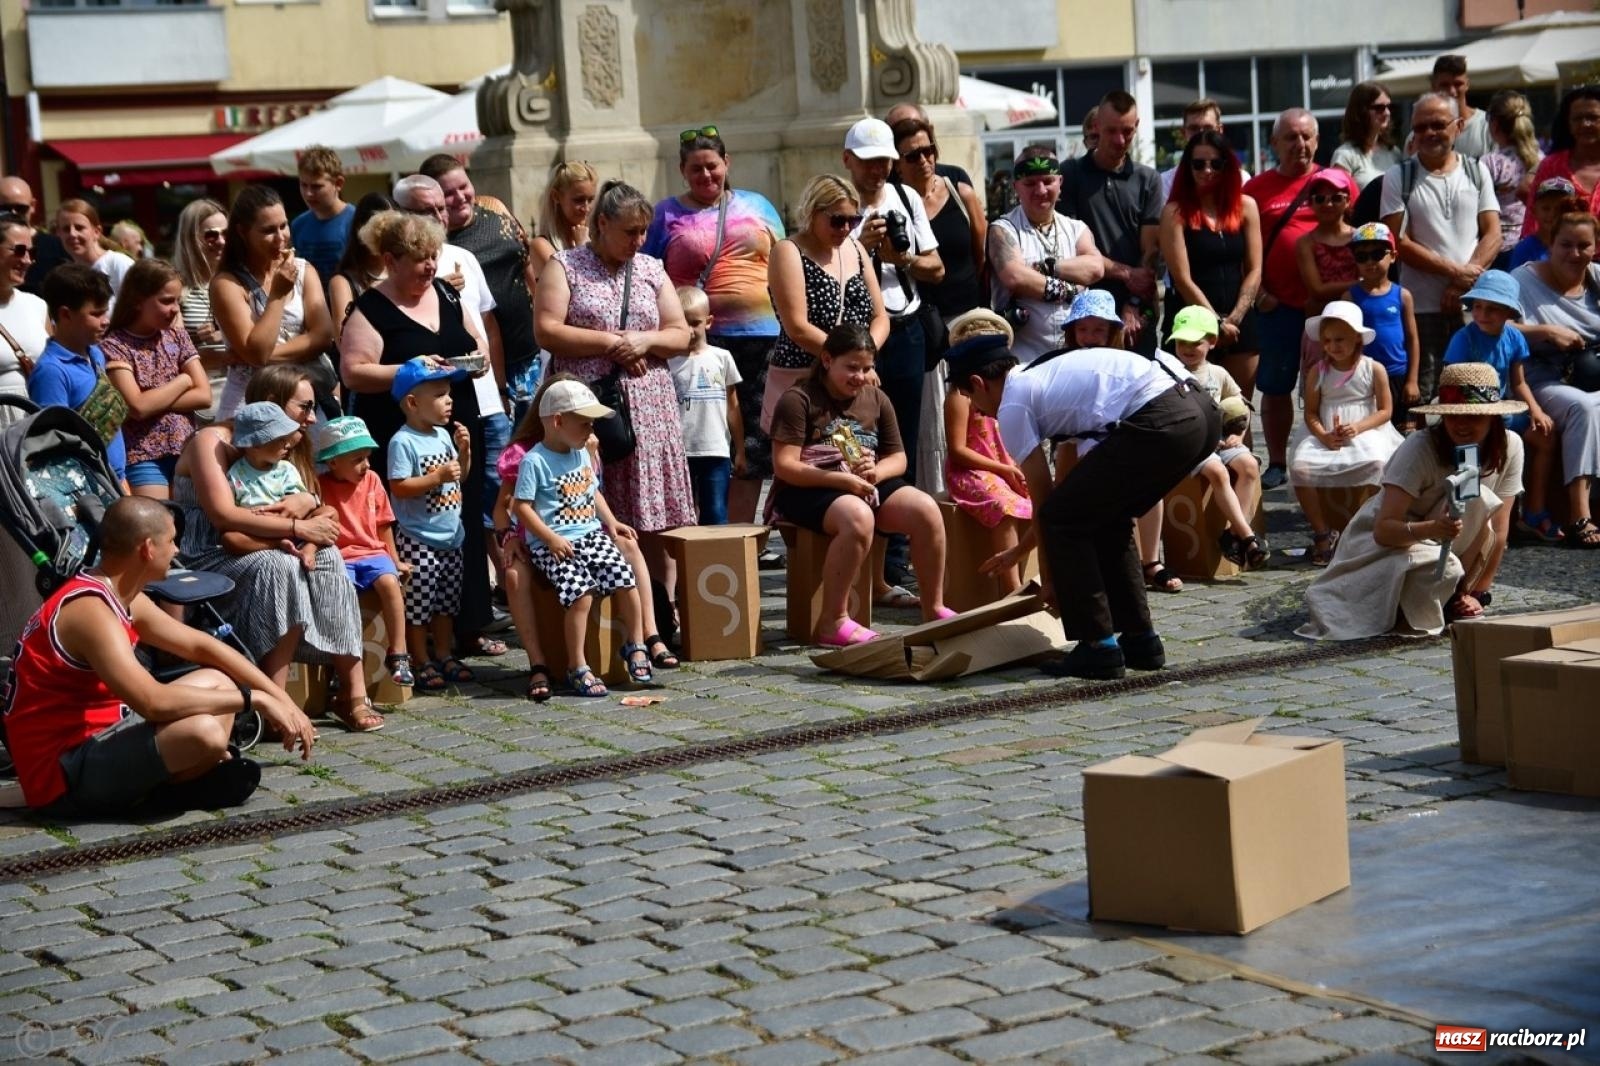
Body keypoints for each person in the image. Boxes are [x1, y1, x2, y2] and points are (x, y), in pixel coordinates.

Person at [0, 496, 315, 815]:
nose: (177, 550)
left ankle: (185, 773)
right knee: (203, 732)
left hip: (103, 734)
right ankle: (169, 787)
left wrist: (281, 699)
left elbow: (201, 647)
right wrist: (254, 700)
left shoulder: (116, 594)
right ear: (148, 549)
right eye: (172, 541)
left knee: (218, 679)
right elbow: (153, 702)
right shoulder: (91, 613)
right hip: (62, 774)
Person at [946, 327, 1219, 680]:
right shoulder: (1044, 376)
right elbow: (1071, 489)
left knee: (1066, 519)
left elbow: (1048, 506)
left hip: (1165, 416)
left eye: (972, 401)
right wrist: (1027, 554)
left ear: (978, 383)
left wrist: (1052, 580)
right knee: (1109, 516)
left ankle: (1098, 647)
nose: (980, 413)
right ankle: (1141, 641)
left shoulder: (1013, 404)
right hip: (1201, 413)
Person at [172, 365, 380, 732]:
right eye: (304, 407)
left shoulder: (288, 445)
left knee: (331, 557)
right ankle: (275, 701)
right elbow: (223, 517)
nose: (312, 417)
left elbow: (318, 506)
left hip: (273, 542)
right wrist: (298, 525)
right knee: (278, 565)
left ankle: (353, 693)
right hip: (212, 551)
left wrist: (308, 502)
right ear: (271, 403)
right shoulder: (213, 441)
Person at [337, 210, 498, 660]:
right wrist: (413, 371)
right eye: (420, 259)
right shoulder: (370, 307)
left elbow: (477, 345)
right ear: (390, 260)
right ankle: (417, 641)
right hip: (401, 432)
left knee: (461, 521)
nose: (431, 266)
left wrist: (472, 363)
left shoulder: (446, 292)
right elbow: (354, 372)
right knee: (415, 532)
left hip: (456, 422)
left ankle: (466, 627)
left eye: (433, 256)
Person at [534, 179, 695, 616]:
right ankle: (608, 615)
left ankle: (661, 611)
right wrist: (612, 343)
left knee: (655, 514)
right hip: (588, 405)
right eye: (629, 231)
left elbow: (682, 334)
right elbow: (547, 330)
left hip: (649, 407)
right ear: (601, 224)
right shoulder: (564, 266)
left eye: (644, 231)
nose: (638, 241)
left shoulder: (650, 268)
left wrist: (642, 341)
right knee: (595, 506)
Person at [1299, 362, 1525, 638]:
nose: (1462, 425)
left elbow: (1498, 531)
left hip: (1448, 539)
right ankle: (1414, 602)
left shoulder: (1511, 446)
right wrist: (1431, 529)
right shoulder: (1420, 447)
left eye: (1473, 417)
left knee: (1479, 501)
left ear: (1493, 418)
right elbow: (1383, 530)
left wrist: (1477, 593)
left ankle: (1452, 595)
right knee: (1445, 566)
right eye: (1453, 417)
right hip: (1386, 540)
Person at [494, 374, 677, 699]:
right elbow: (519, 507)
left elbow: (593, 493)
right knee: (581, 594)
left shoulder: (579, 451)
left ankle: (636, 644)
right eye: (585, 423)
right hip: (556, 542)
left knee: (625, 579)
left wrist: (612, 521)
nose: (592, 431)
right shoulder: (533, 460)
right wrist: (548, 538)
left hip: (590, 534)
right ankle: (577, 664)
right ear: (558, 421)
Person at [769, 323, 952, 644]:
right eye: (851, 367)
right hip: (808, 487)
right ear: (827, 360)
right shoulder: (798, 399)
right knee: (858, 517)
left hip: (862, 482)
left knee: (925, 509)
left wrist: (875, 474)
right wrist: (842, 479)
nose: (860, 376)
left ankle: (933, 607)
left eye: (867, 368)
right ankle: (833, 620)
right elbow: (785, 466)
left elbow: (898, 458)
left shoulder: (877, 398)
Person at [645, 129, 786, 521]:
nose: (705, 175)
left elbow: (784, 261)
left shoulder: (758, 205)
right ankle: (699, 532)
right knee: (697, 439)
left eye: (712, 166)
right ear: (682, 171)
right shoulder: (665, 215)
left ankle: (740, 541)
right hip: (695, 341)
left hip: (760, 338)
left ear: (727, 163)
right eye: (696, 169)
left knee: (753, 441)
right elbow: (647, 273)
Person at [393, 174, 510, 583]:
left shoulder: (464, 256)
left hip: (484, 399)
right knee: (456, 499)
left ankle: (504, 581)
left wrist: (496, 381)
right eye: (427, 210)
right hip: (435, 407)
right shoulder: (396, 273)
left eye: (440, 207)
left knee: (495, 492)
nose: (439, 216)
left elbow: (486, 326)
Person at [840, 118, 945, 508]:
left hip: (906, 328)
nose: (877, 170)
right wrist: (860, 245)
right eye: (868, 161)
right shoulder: (838, 207)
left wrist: (903, 259)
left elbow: (936, 269)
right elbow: (824, 269)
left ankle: (898, 549)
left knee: (904, 439)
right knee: (858, 439)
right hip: (858, 334)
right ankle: (868, 533)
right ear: (847, 159)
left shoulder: (906, 197)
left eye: (884, 160)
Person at [1380, 92, 1501, 429]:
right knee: (1425, 403)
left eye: (1438, 124)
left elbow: (1493, 233)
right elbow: (1397, 241)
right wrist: (1457, 274)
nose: (1430, 133)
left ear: (1458, 126)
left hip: (1474, 307)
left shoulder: (1477, 171)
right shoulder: (1398, 177)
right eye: (1421, 127)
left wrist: (1463, 282)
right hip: (1420, 310)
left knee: (1477, 394)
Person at [891, 116, 987, 496]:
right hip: (926, 324)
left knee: (976, 415)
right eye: (912, 155)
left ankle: (978, 496)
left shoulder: (959, 189)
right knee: (932, 421)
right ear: (897, 162)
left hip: (967, 319)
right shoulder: (894, 200)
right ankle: (935, 501)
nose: (924, 161)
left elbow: (980, 253)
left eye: (928, 150)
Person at [419, 155, 539, 423]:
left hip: (529, 354)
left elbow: (526, 261)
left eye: (464, 186)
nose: (460, 197)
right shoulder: (437, 246)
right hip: (487, 366)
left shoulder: (495, 209)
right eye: (448, 194)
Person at [1442, 270, 1556, 542]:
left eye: (1492, 308)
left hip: (1502, 411)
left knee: (1544, 437)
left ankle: (1533, 511)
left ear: (1508, 312)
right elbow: (1450, 385)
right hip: (1468, 410)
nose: (1482, 314)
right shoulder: (1463, 338)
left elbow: (1518, 383)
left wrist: (1536, 410)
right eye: (1478, 306)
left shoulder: (1514, 338)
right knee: (1470, 453)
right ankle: (1468, 522)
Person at [1289, 301, 1405, 565]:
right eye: (1327, 340)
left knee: (1378, 463)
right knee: (1300, 468)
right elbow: (1311, 412)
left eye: (1340, 339)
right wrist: (1323, 435)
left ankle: (1365, 528)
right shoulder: (1318, 371)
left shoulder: (1373, 368)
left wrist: (1359, 427)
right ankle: (1322, 531)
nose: (1332, 346)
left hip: (1367, 428)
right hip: (1327, 431)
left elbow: (1386, 410)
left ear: (1357, 337)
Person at [1244, 109, 1325, 488]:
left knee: (1328, 386)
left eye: (1307, 136)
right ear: (1274, 144)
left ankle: (1326, 457)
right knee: (1275, 389)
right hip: (1276, 308)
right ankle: (1277, 462)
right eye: (1291, 138)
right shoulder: (1255, 190)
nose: (1300, 145)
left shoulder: (1334, 183)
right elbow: (1241, 247)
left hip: (1323, 310)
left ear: (1317, 141)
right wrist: (1259, 294)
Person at [385, 357, 474, 691]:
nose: (449, 400)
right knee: (419, 605)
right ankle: (420, 657)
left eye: (448, 393)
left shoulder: (441, 435)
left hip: (451, 535)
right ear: (412, 402)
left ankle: (444, 652)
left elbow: (459, 478)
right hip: (418, 537)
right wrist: (435, 477)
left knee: (446, 603)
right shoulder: (403, 441)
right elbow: (399, 486)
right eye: (439, 394)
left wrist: (464, 452)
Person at [1513, 208, 1600, 547]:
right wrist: (1546, 331)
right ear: (1550, 243)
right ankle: (1580, 515)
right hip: (1541, 379)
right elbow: (1494, 326)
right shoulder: (1523, 280)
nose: (1574, 254)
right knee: (1586, 407)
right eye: (1566, 245)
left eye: (1584, 246)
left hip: (1590, 372)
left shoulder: (1595, 279)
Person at [210, 186, 335, 420]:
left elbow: (322, 336)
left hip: (305, 402)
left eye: (283, 226)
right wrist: (277, 294)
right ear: (242, 232)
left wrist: (267, 354)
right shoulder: (227, 283)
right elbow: (257, 352)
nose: (280, 237)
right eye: (268, 230)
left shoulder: (303, 269)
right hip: (251, 403)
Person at [1161, 130, 1261, 408]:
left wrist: (1235, 318)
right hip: (1191, 323)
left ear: (1228, 166)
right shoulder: (1175, 212)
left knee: (1238, 412)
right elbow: (1181, 277)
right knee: (1192, 412)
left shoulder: (1246, 207)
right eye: (1199, 164)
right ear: (1187, 167)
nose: (1207, 171)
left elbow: (1255, 270)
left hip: (1240, 323)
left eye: (1216, 164)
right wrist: (1215, 325)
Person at [1060, 91, 1163, 354]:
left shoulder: (1148, 180)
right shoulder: (1070, 175)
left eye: (1127, 132)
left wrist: (1133, 303)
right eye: (1111, 131)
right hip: (1086, 313)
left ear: (1137, 127)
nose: (1120, 140)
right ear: (1096, 127)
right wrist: (1127, 274)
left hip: (1136, 311)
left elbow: (1150, 252)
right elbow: (1072, 246)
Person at [314, 415, 413, 689]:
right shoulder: (321, 486)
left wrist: (394, 561)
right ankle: (341, 661)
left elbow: (384, 524)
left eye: (367, 457)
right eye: (357, 459)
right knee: (340, 594)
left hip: (373, 553)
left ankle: (399, 654)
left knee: (390, 583)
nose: (366, 464)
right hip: (339, 556)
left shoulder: (372, 480)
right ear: (333, 462)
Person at [1167, 305, 1268, 569]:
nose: (1187, 348)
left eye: (1195, 342)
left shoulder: (1218, 373)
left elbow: (1240, 404)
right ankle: (1247, 537)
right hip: (1193, 447)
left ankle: (1232, 535)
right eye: (1181, 342)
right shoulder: (1168, 373)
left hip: (1221, 442)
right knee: (1219, 473)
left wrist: (1238, 434)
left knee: (1248, 466)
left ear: (1211, 342)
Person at [101, 259, 211, 499]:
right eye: (166, 301)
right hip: (143, 455)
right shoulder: (115, 345)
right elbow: (137, 407)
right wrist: (182, 381)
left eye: (177, 302)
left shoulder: (176, 336)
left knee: (190, 528)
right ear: (138, 300)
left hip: (186, 450)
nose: (174, 309)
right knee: (156, 526)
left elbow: (204, 396)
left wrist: (153, 399)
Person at [942, 309, 1031, 596]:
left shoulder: (1004, 390)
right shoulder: (960, 396)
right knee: (1003, 507)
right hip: (971, 471)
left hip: (1004, 465)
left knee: (1034, 499)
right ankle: (1011, 587)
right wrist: (1003, 469)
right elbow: (957, 449)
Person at [988, 147, 1103, 365]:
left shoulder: (1076, 228)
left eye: (1048, 181)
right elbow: (1015, 277)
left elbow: (1095, 268)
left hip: (1075, 357)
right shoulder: (1004, 229)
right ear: (1016, 187)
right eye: (1030, 183)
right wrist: (1070, 288)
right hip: (1024, 360)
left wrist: (1046, 267)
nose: (1040, 191)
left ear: (1060, 182)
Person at [27, 265, 126, 486]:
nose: (105, 320)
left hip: (116, 480)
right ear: (65, 314)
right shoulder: (52, 372)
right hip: (89, 489)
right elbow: (54, 446)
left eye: (105, 311)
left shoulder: (95, 354)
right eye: (96, 313)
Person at [223, 400, 330, 572]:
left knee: (329, 512)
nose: (288, 444)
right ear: (257, 443)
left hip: (297, 524)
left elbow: (300, 503)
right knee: (230, 539)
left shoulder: (286, 468)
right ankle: (278, 543)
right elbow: (235, 512)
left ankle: (309, 549)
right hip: (261, 531)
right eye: (281, 440)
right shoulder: (235, 475)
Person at [668, 286, 744, 525]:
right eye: (683, 323)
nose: (689, 330)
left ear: (708, 322)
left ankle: (713, 558)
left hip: (715, 449)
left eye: (695, 322)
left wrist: (740, 449)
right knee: (682, 513)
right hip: (680, 451)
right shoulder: (667, 362)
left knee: (716, 511)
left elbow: (733, 406)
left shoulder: (722, 358)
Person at [1345, 222, 1421, 428]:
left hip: (1398, 374)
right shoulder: (1350, 297)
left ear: (1393, 256)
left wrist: (1412, 380)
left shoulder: (1402, 296)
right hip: (1364, 376)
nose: (1370, 261)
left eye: (1378, 254)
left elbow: (1412, 339)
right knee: (1371, 429)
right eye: (1362, 257)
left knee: (1403, 432)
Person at [1526, 86, 1600, 240]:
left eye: (1593, 117)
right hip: (1559, 261)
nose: (1585, 124)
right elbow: (1533, 225)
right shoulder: (1551, 166)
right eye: (1577, 118)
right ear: (1568, 123)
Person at [326, 192, 397, 345]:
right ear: (362, 229)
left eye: (395, 227)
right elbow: (343, 340)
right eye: (382, 227)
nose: (389, 236)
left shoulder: (403, 272)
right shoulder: (343, 282)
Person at [171, 198, 229, 384]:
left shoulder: (238, 280)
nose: (221, 241)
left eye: (226, 233)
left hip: (243, 386)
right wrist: (196, 350)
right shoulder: (175, 288)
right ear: (190, 239)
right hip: (203, 390)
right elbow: (169, 352)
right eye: (211, 235)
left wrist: (225, 335)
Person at [1484, 91, 1542, 267]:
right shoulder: (1544, 159)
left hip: (1499, 249)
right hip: (1536, 244)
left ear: (1494, 125)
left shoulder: (1490, 163)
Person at [289, 145, 356, 291]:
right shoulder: (298, 225)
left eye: (316, 187)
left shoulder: (356, 221)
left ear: (338, 183)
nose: (308, 193)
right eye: (303, 185)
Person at [1296, 168, 1359, 318]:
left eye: (1336, 198)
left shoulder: (1360, 236)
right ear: (1311, 203)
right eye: (1320, 199)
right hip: (1322, 323)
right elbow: (1317, 290)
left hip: (1359, 318)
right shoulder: (1305, 243)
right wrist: (1360, 285)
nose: (1328, 204)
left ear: (1348, 201)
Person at [1159, 99, 1251, 201]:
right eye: (1194, 128)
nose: (1201, 134)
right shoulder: (1166, 183)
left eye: (1208, 128)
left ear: (1220, 130)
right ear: (1183, 133)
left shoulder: (1241, 179)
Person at [530, 160, 598, 295]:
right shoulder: (541, 245)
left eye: (591, 199)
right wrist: (582, 249)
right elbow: (576, 290)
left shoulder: (596, 236)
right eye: (579, 200)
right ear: (556, 197)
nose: (586, 208)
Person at [0, 214, 48, 394]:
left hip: (36, 418)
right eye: (19, 250)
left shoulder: (37, 305)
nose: (27, 260)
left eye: (32, 252)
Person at [56, 200, 133, 311]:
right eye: (66, 229)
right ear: (58, 233)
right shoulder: (65, 277)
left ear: (96, 231)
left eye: (79, 228)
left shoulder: (118, 264)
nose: (72, 234)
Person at [0, 174, 68, 296]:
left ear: (33, 206)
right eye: (5, 208)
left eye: (21, 208)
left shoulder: (56, 246)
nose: (13, 213)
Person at [1330, 82, 1401, 193]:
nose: (1387, 113)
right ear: (1361, 111)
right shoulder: (1345, 156)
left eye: (1389, 107)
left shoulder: (1394, 152)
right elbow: (1339, 202)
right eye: (1379, 108)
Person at [1432, 55, 1490, 162]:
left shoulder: (1488, 126)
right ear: (1434, 86)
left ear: (1467, 84)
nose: (1452, 91)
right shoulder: (1422, 134)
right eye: (1444, 85)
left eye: (1458, 84)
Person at [1511, 178, 1577, 269]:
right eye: (1546, 208)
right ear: (1534, 211)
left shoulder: (1576, 246)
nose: (1552, 214)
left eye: (1559, 209)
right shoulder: (1525, 249)